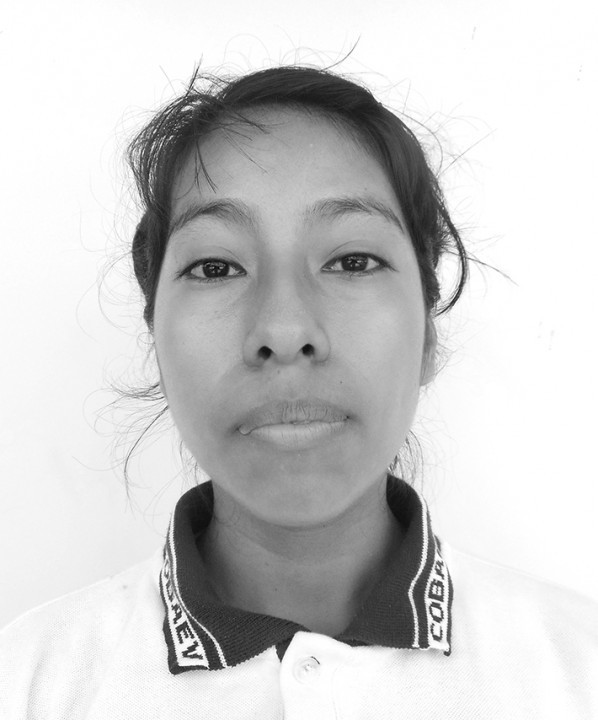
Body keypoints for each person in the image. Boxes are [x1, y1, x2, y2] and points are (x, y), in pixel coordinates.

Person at [0, 64, 596, 719]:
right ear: (156, 339)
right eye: (216, 266)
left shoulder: (576, 671)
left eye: (352, 261)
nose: (285, 332)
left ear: (427, 335)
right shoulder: (30, 681)